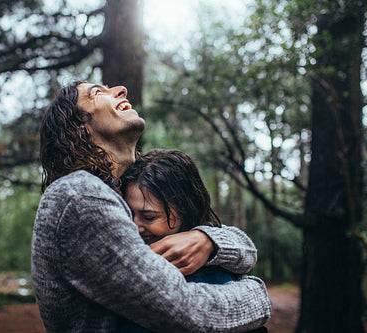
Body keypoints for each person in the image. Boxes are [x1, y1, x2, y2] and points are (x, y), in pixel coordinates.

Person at [31, 81, 271, 332]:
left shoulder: (120, 191)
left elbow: (245, 249)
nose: (122, 89)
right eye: (97, 93)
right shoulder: (81, 195)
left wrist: (208, 241)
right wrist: (258, 297)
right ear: (79, 128)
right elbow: (187, 312)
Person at [119, 149, 260, 332]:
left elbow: (248, 251)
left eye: (149, 217)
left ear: (184, 210)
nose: (133, 226)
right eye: (128, 213)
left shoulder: (209, 273)